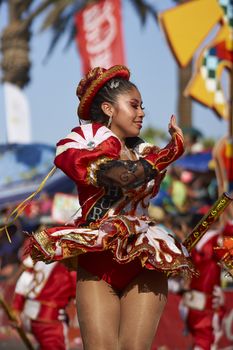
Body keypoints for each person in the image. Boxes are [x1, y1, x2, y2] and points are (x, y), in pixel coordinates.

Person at [28, 65, 195, 350]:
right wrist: (169, 153)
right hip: (97, 261)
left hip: (144, 260)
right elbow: (119, 175)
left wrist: (163, 155)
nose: (142, 112)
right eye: (133, 105)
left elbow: (140, 172)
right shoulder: (80, 142)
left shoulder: (145, 151)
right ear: (108, 108)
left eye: (143, 106)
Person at [12, 249, 77, 350]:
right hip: (49, 320)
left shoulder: (40, 250)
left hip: (29, 315)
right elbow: (78, 291)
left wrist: (16, 309)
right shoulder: (70, 260)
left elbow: (23, 282)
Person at [180, 214, 226, 350]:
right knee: (205, 342)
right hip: (207, 305)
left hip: (190, 304)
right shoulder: (214, 240)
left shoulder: (190, 245)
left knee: (201, 342)